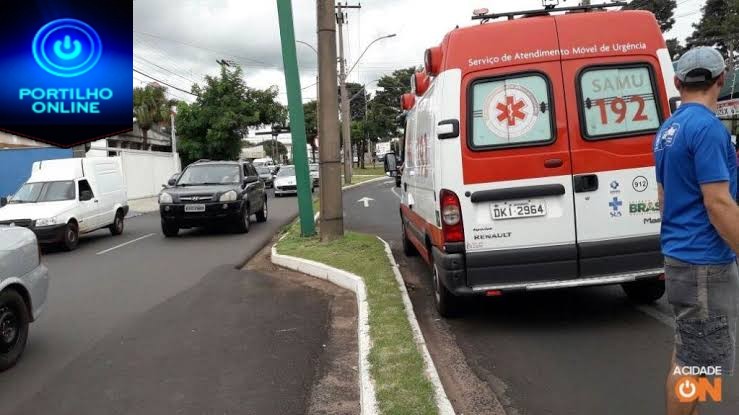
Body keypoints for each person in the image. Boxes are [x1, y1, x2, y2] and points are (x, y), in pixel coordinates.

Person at [655, 47, 739, 415]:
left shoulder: (667, 130)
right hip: (705, 263)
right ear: (721, 79)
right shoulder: (706, 128)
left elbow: (663, 198)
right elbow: (718, 203)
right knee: (700, 368)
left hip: (681, 259)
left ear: (678, 82)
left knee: (687, 357)